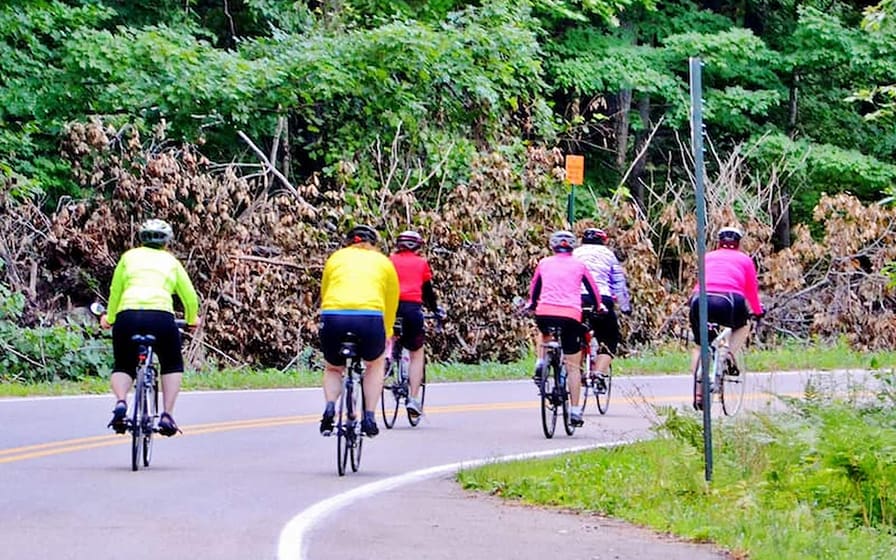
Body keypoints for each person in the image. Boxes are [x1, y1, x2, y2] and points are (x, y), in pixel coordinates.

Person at [101, 218, 201, 437]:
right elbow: (190, 297)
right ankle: (167, 415)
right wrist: (192, 319)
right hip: (160, 317)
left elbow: (115, 291)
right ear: (167, 242)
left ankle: (120, 403)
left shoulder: (128, 257)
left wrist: (109, 318)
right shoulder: (171, 262)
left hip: (127, 316)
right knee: (172, 363)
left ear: (141, 239)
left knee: (123, 365)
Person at [318, 224, 400, 438]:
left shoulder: (335, 258)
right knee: (375, 364)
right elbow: (391, 302)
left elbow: (325, 292)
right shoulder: (383, 262)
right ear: (373, 244)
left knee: (333, 369)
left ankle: (329, 408)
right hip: (369, 317)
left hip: (333, 315)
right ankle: (370, 417)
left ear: (348, 242)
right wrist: (388, 331)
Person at [528, 230, 602, 427]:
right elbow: (594, 291)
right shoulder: (579, 265)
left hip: (545, 313)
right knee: (573, 366)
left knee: (544, 333)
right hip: (571, 316)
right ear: (573, 246)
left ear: (552, 246)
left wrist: (531, 304)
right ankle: (575, 411)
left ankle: (540, 362)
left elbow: (534, 288)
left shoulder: (543, 263)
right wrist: (599, 306)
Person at [689, 226, 764, 409]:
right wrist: (758, 311)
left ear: (718, 242)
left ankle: (699, 390)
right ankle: (728, 354)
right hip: (729, 299)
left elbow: (698, 282)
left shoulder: (707, 256)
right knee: (743, 325)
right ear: (738, 243)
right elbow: (751, 290)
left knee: (700, 345)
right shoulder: (745, 260)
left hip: (699, 298)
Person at [388, 230, 444, 420]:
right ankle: (413, 398)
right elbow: (428, 292)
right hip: (412, 310)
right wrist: (436, 310)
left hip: (392, 308)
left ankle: (387, 358)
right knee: (416, 353)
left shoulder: (390, 260)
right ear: (418, 245)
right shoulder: (421, 263)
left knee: (390, 335)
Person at [572, 228, 631, 384]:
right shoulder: (608, 255)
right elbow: (618, 283)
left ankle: (575, 372)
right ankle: (598, 374)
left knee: (574, 337)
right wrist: (625, 307)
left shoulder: (575, 254)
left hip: (575, 299)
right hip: (601, 299)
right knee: (610, 338)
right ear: (603, 241)